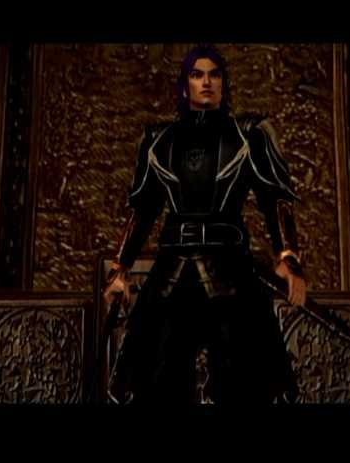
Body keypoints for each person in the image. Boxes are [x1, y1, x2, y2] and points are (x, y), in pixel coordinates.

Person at [103, 44, 306, 405]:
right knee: (156, 380)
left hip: (231, 269)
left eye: (214, 74)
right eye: (197, 75)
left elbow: (274, 198)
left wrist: (288, 257)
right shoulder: (158, 141)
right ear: (185, 86)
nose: (207, 82)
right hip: (172, 272)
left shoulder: (249, 135)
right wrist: (121, 268)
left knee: (245, 380)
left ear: (224, 83)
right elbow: (143, 209)